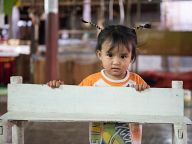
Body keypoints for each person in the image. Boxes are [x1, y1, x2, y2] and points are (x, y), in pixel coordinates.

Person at [47, 24, 150, 144]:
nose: (116, 62)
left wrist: (144, 90)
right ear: (100, 55)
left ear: (131, 57)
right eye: (110, 55)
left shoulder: (137, 81)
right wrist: (58, 89)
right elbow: (72, 99)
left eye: (123, 56)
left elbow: (149, 104)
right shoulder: (92, 82)